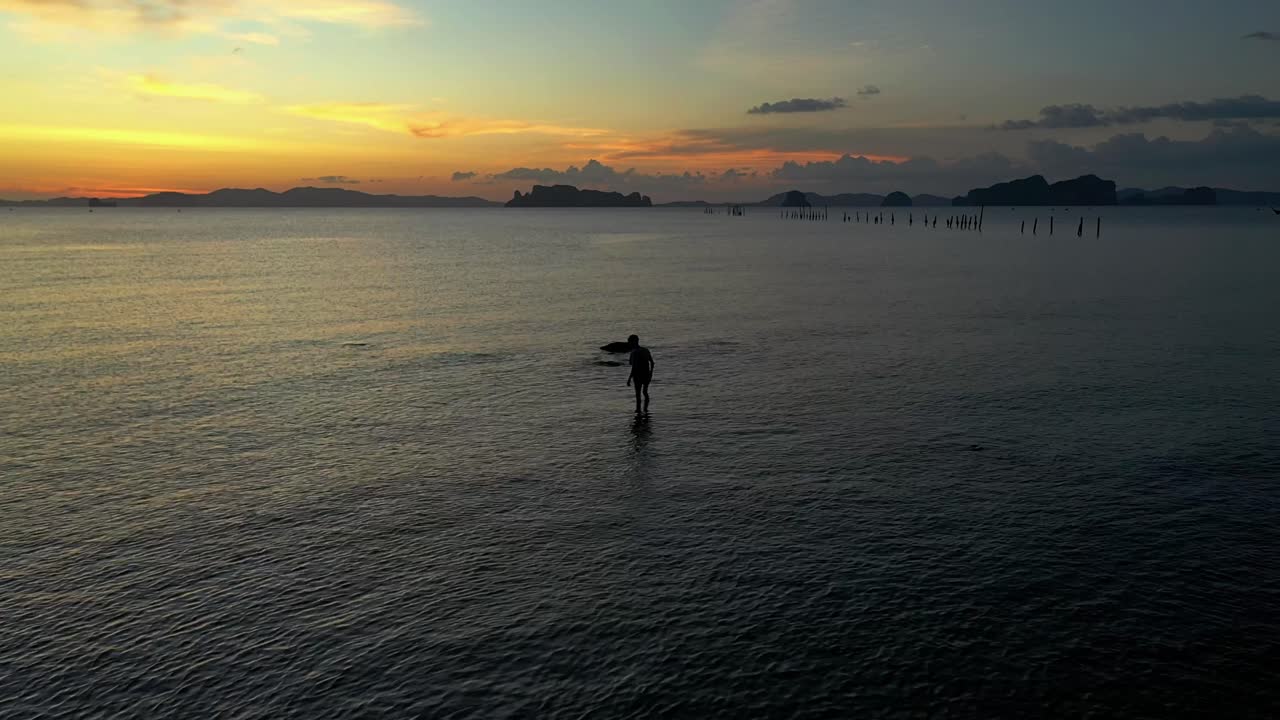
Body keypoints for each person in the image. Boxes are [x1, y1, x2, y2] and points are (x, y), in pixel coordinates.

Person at [625, 334, 654, 414]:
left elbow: (634, 367)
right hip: (646, 375)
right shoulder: (645, 350)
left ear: (633, 342)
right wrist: (651, 373)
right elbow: (652, 362)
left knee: (638, 395)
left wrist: (629, 379)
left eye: (629, 342)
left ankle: (638, 413)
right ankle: (646, 410)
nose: (629, 344)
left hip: (638, 376)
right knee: (645, 392)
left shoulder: (634, 353)